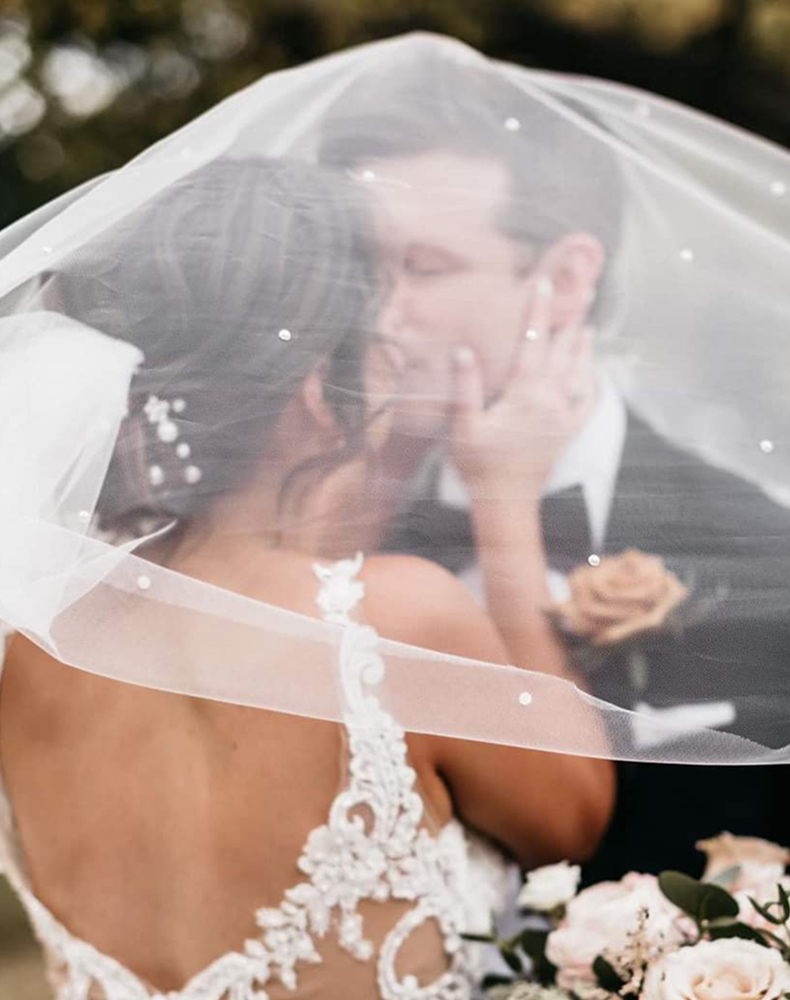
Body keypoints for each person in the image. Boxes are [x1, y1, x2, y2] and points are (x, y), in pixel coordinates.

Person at [318, 49, 790, 929]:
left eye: (424, 269)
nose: (378, 316)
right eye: (361, 269)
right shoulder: (321, 558)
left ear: (565, 281)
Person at [0, 158, 614, 1000]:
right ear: (321, 389)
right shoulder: (393, 621)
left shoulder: (32, 642)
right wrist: (503, 501)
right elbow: (571, 818)